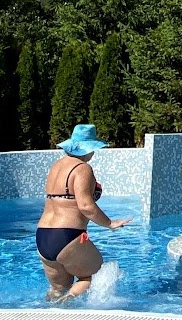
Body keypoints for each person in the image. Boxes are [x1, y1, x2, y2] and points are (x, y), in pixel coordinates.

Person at [37, 123, 129, 300]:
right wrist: (110, 223)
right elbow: (85, 206)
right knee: (95, 275)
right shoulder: (82, 168)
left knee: (58, 288)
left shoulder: (56, 166)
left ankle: (48, 315)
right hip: (67, 235)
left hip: (43, 236)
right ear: (88, 148)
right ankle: (67, 301)